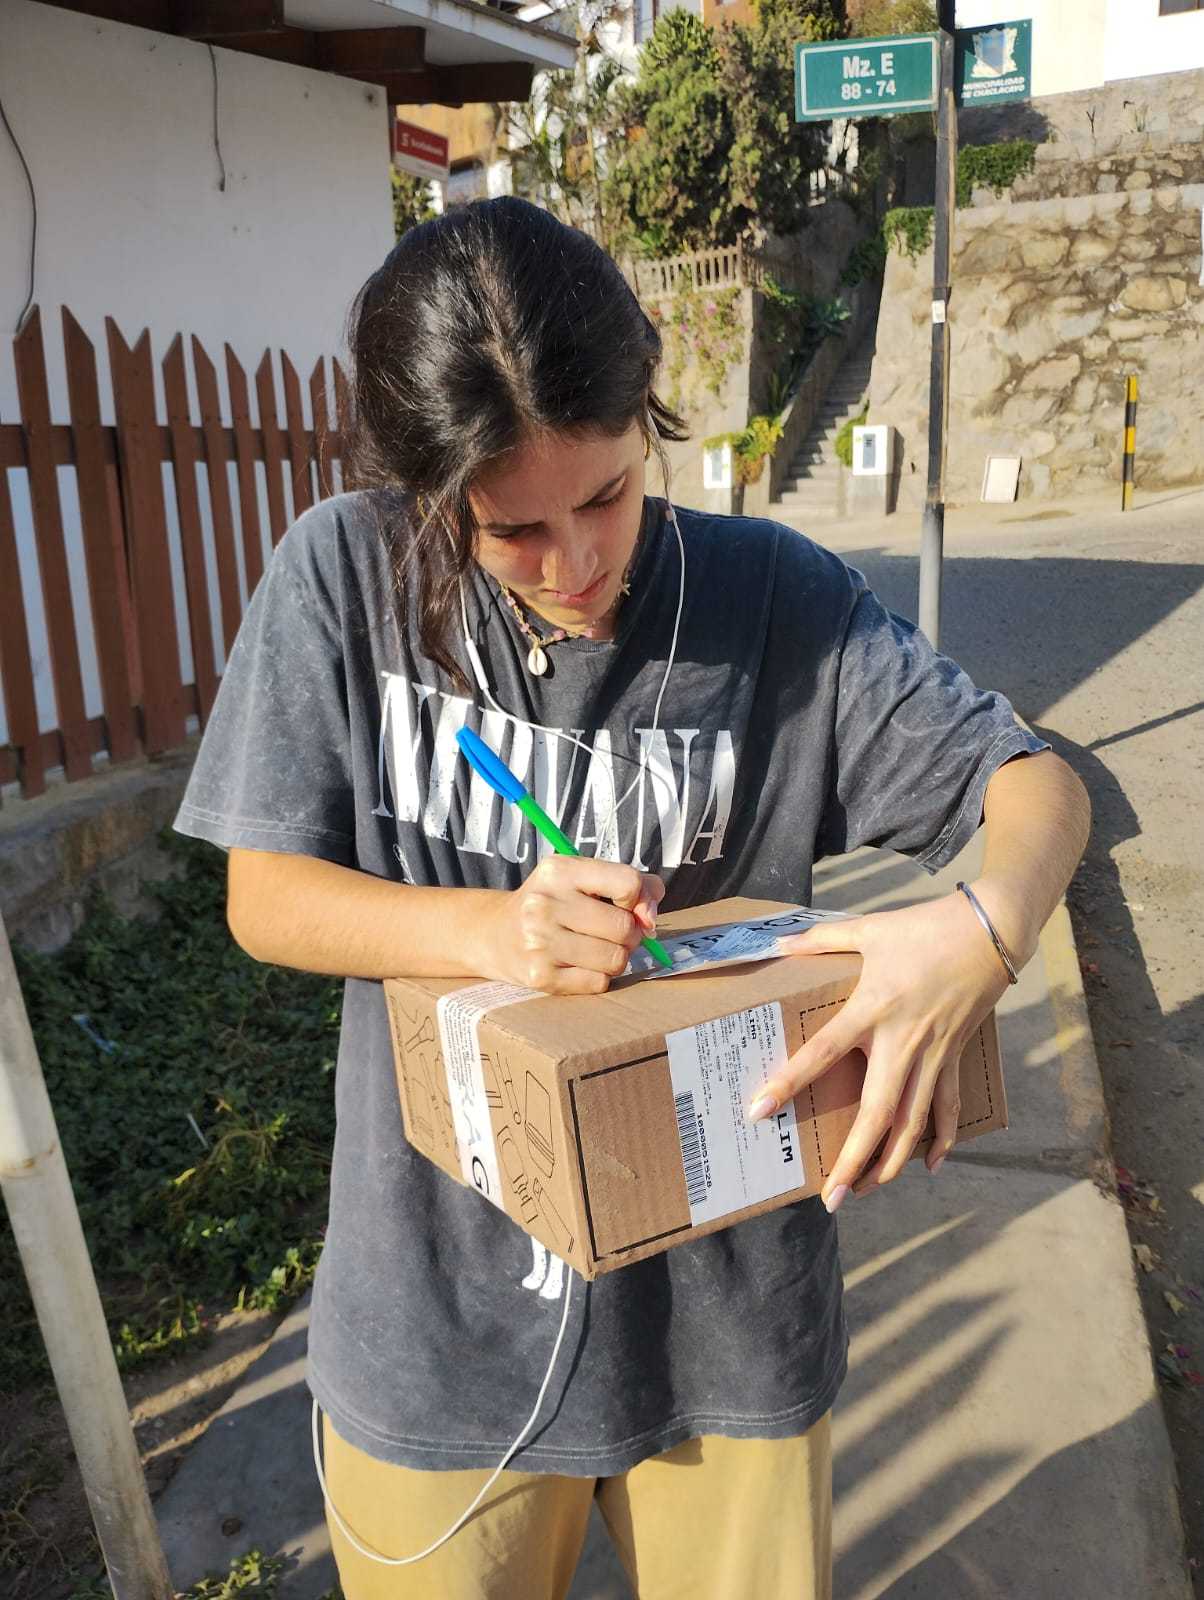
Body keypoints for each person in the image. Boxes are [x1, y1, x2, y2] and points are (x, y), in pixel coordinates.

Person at [174, 196, 1090, 1600]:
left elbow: (1033, 784)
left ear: (649, 414)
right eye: (512, 531)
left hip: (728, 1334)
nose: (578, 564)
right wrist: (491, 930)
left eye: (604, 496)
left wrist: (984, 929)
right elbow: (266, 896)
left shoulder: (774, 601)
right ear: (427, 495)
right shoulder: (345, 577)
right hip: (440, 1334)